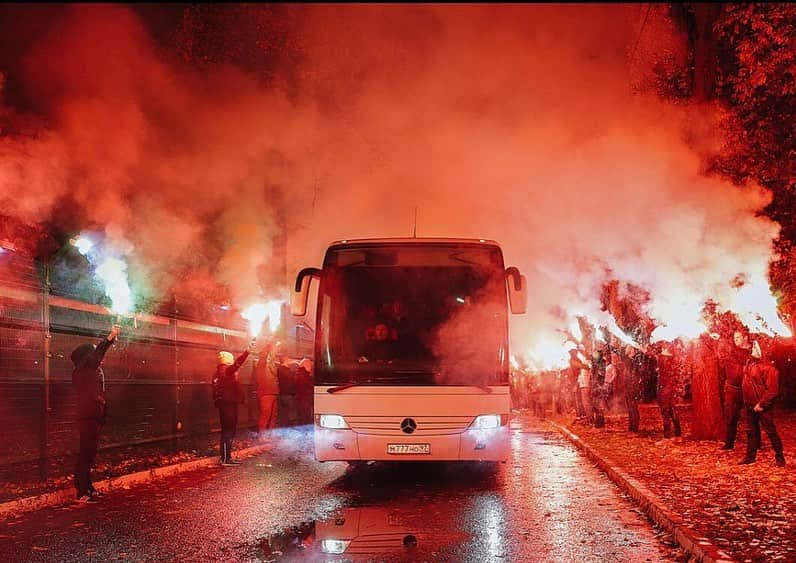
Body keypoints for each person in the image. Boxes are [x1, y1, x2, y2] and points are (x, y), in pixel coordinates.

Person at [71, 324, 120, 503]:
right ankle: (81, 492)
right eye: (92, 354)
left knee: (89, 453)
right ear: (86, 358)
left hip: (93, 416)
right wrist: (111, 337)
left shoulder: (88, 371)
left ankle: (87, 488)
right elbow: (98, 353)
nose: (98, 358)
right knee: (86, 453)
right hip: (88, 417)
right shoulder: (84, 369)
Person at [739, 340, 785, 467]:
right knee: (751, 432)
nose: (753, 350)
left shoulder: (770, 368)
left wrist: (761, 404)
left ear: (762, 350)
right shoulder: (750, 363)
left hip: (762, 406)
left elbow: (772, 391)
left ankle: (780, 458)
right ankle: (750, 457)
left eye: (755, 347)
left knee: (770, 432)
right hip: (749, 405)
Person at [213, 341, 255, 466]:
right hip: (228, 405)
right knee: (228, 431)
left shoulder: (220, 372)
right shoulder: (226, 371)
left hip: (226, 405)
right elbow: (238, 363)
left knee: (228, 431)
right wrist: (247, 351)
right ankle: (225, 459)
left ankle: (226, 457)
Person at [721, 330, 751, 450]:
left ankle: (755, 443)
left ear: (745, 337)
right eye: (735, 338)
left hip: (747, 389)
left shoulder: (752, 352)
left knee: (751, 417)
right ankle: (729, 443)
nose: (736, 339)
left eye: (738, 337)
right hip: (732, 389)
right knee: (731, 417)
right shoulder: (732, 352)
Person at [254, 340, 281, 437]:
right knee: (266, 415)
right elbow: (263, 357)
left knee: (273, 415)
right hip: (265, 393)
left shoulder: (272, 367)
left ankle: (271, 434)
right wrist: (268, 346)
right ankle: (262, 436)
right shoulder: (261, 365)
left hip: (273, 393)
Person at [656, 343, 682, 439]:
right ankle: (678, 432)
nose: (661, 349)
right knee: (672, 410)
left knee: (665, 411)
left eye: (662, 347)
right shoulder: (672, 359)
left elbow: (658, 358)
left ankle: (667, 436)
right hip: (670, 388)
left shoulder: (663, 358)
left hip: (665, 388)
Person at [623, 345, 643, 433]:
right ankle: (631, 428)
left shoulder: (633, 362)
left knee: (633, 408)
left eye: (628, 348)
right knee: (630, 409)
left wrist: (634, 388)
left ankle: (634, 429)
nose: (626, 349)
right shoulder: (629, 361)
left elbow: (634, 375)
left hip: (632, 388)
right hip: (629, 387)